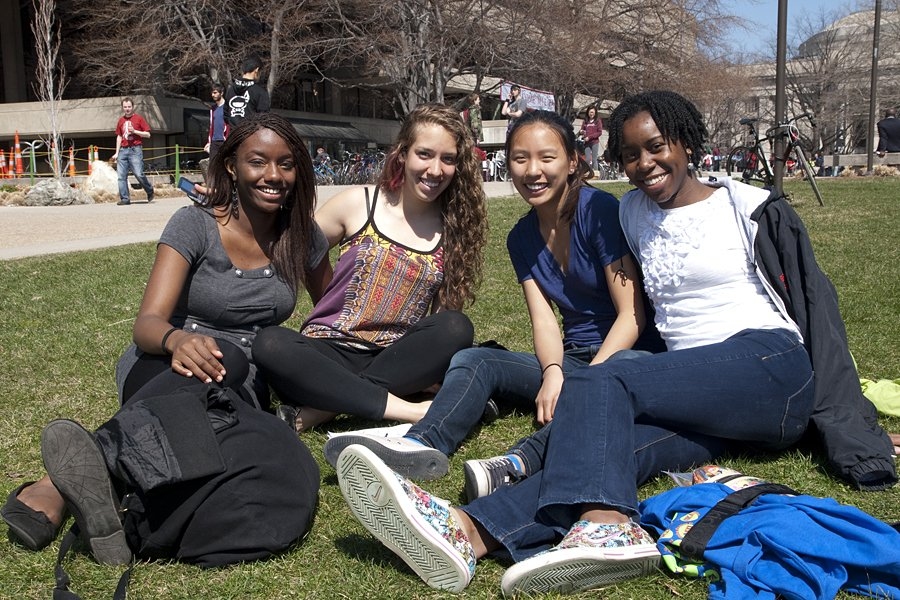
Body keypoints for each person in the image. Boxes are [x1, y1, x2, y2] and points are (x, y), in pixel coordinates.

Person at [333, 90, 895, 597]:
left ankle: (606, 525)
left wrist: (853, 425)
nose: (645, 164)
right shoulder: (630, 210)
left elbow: (820, 315)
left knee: (606, 376)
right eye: (631, 155)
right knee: (613, 449)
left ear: (687, 142)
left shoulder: (751, 207)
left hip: (770, 365)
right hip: (700, 391)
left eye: (657, 147)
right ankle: (468, 532)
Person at [1, 113, 329, 570]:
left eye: (287, 164)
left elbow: (333, 313)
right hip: (161, 360)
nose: (274, 175)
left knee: (228, 381)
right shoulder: (193, 224)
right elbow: (148, 323)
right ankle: (72, 478)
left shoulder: (303, 237)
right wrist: (176, 341)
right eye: (259, 162)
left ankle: (94, 485)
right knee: (208, 380)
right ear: (232, 166)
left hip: (239, 379)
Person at [322, 109, 661, 481]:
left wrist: (584, 383)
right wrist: (552, 373)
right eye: (520, 159)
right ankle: (421, 444)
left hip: (631, 357)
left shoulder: (598, 211)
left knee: (589, 401)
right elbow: (544, 319)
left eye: (547, 158)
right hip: (575, 357)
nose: (533, 171)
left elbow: (631, 316)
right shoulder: (521, 237)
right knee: (475, 359)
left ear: (572, 162)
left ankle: (515, 466)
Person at [252, 103, 488, 432]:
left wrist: (432, 362)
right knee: (270, 343)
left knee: (456, 328)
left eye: (447, 159)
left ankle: (321, 410)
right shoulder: (359, 202)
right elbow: (295, 249)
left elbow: (440, 323)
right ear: (403, 154)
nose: (435, 170)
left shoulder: (452, 233)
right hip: (326, 351)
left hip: (393, 358)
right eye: (425, 154)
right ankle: (409, 410)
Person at [111, 97, 154, 206]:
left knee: (138, 173)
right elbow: (119, 137)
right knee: (121, 176)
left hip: (135, 149)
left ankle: (149, 190)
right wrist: (117, 152)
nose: (127, 109)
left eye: (129, 107)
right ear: (122, 108)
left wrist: (135, 131)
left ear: (132, 107)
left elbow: (148, 134)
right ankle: (125, 198)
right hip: (123, 150)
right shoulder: (121, 120)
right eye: (125, 107)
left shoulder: (139, 119)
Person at [224, 55, 271, 128]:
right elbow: (264, 118)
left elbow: (225, 114)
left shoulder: (231, 89)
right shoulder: (259, 92)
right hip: (251, 135)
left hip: (233, 135)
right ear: (256, 70)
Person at [204, 83, 229, 162]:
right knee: (213, 166)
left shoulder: (227, 107)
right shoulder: (213, 109)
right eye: (212, 93)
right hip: (214, 141)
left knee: (224, 164)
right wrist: (209, 142)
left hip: (224, 141)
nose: (213, 95)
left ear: (221, 93)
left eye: (215, 93)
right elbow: (212, 126)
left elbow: (229, 124)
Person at [578, 105, 603, 172]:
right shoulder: (585, 121)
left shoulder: (598, 121)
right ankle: (587, 173)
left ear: (595, 113)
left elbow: (599, 132)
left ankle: (596, 174)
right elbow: (582, 130)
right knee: (587, 159)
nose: (591, 114)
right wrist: (581, 132)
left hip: (594, 142)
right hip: (587, 143)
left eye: (592, 112)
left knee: (594, 159)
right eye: (590, 112)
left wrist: (589, 137)